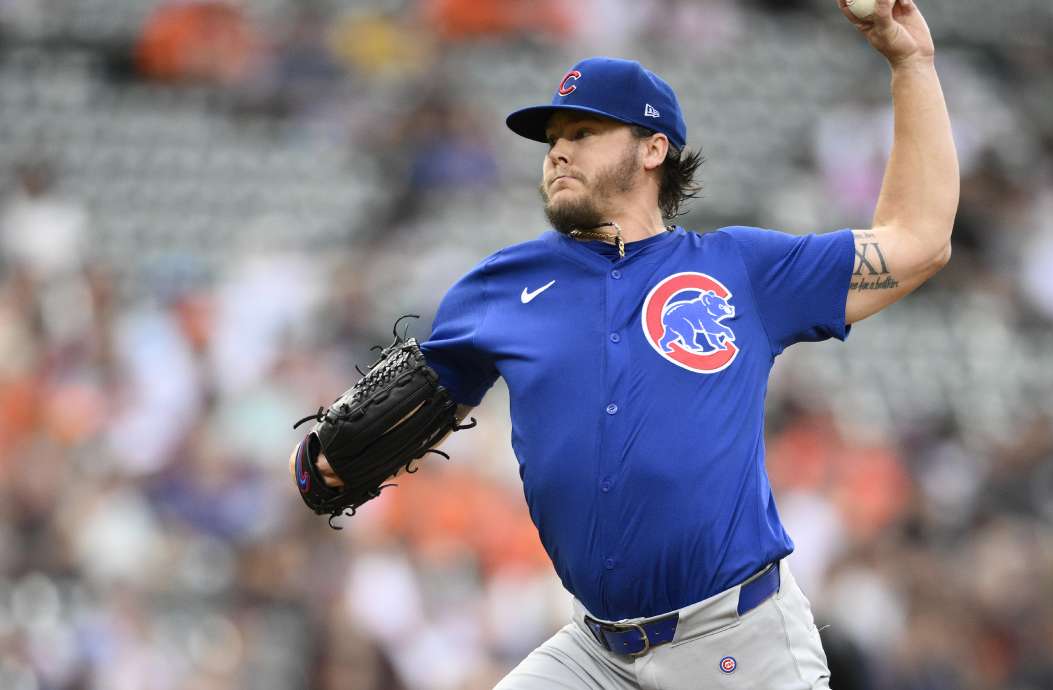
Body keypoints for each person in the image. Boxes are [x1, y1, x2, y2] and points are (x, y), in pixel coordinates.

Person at [310, 0, 956, 686]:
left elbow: (918, 242)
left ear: (653, 149)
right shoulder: (501, 286)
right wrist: (325, 463)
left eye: (583, 131)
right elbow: (409, 411)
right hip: (596, 652)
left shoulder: (740, 270)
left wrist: (911, 63)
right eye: (552, 139)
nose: (557, 151)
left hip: (738, 641)